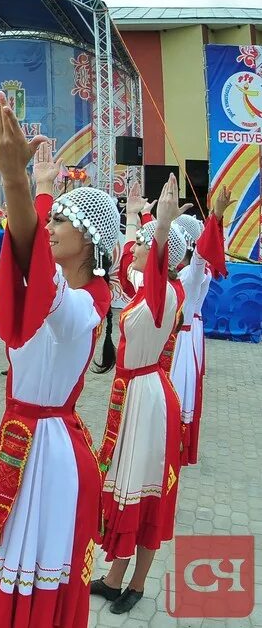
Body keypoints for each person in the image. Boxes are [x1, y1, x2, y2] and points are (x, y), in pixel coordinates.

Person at [0, 91, 119, 628]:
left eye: (60, 223)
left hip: (51, 458)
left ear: (90, 242)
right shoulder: (49, 291)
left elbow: (38, 271)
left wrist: (17, 181)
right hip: (23, 443)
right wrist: (39, 190)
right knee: (4, 567)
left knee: (30, 583)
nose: (49, 230)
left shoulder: (90, 302)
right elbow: (32, 261)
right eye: (50, 222)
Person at [91, 174, 190, 615]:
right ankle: (115, 578)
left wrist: (162, 226)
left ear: (162, 255)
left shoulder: (164, 293)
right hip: (136, 396)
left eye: (146, 246)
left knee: (145, 491)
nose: (138, 251)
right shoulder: (150, 290)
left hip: (148, 402)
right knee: (128, 485)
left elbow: (145, 267)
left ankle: (137, 583)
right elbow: (129, 264)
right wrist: (138, 217)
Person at [169, 189, 230, 466]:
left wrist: (216, 216)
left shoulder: (192, 274)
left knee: (179, 392)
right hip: (178, 337)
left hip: (182, 341)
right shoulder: (174, 273)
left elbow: (201, 257)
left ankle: (175, 441)